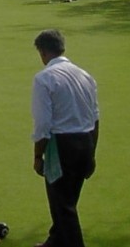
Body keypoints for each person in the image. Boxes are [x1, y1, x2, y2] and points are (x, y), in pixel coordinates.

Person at [31, 29, 99, 247]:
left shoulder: (44, 79)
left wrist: (38, 155)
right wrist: (92, 154)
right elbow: (95, 118)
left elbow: (43, 124)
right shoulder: (85, 75)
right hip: (86, 142)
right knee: (68, 201)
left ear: (42, 52)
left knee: (63, 207)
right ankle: (55, 241)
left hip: (63, 146)